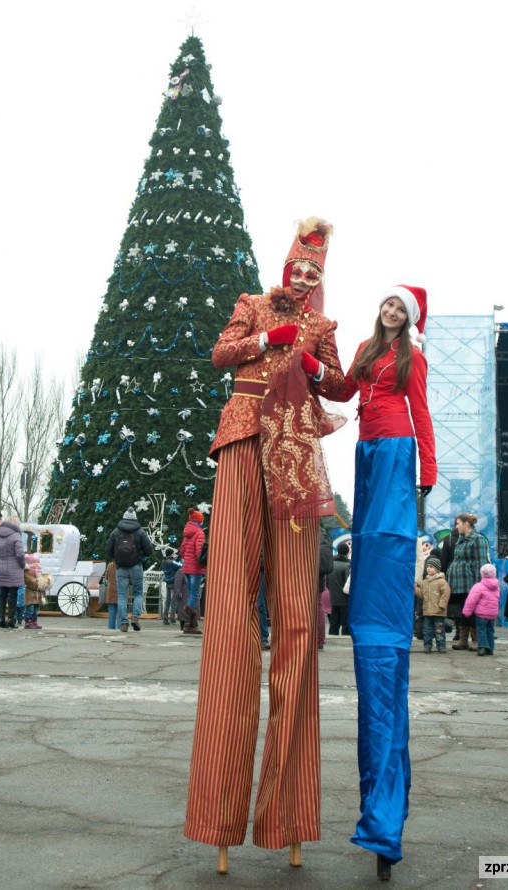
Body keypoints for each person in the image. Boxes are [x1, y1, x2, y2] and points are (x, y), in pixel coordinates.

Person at [185, 218, 346, 868]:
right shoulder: (252, 304)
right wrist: (264, 339)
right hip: (242, 441)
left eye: (314, 272)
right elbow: (220, 354)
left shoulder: (323, 326)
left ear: (319, 278)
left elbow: (338, 385)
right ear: (285, 269)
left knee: (297, 622)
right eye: (297, 268)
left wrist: (311, 362)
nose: (303, 278)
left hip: (296, 456)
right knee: (229, 613)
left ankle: (289, 816)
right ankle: (217, 816)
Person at [335, 284, 437, 878]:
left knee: (387, 535)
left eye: (400, 308)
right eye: (387, 304)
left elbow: (420, 411)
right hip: (367, 450)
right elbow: (343, 389)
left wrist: (428, 469)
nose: (391, 311)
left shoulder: (411, 358)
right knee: (367, 532)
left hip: (398, 447)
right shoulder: (366, 349)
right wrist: (312, 367)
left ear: (409, 317)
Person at [447, 514, 490, 651]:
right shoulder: (461, 539)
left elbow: (481, 563)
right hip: (459, 583)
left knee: (473, 610)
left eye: (458, 523)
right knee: (464, 610)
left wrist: (479, 585)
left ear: (466, 524)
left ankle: (476, 640)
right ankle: (463, 640)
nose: (456, 526)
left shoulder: (478, 539)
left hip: (470, 582)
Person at [106, 507, 153, 632]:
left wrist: (116, 558)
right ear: (135, 518)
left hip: (121, 567)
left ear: (124, 517)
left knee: (121, 596)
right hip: (136, 566)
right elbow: (149, 550)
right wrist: (140, 555)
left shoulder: (116, 532)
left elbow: (108, 549)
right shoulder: (140, 532)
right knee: (138, 593)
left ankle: (123, 623)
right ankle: (135, 617)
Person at [462, 563, 500, 656]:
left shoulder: (478, 586)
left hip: (481, 614)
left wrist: (467, 612)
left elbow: (471, 600)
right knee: (490, 630)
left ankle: (482, 647)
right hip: (492, 614)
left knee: (481, 630)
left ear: (482, 574)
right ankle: (490, 649)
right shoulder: (496, 586)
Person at [179, 509, 206, 635]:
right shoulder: (199, 533)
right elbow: (199, 553)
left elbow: (182, 552)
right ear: (199, 521)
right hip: (196, 568)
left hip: (186, 568)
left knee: (191, 594)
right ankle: (188, 624)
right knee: (194, 595)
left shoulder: (187, 532)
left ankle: (192, 624)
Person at [416, 556, 450, 653]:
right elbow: (422, 594)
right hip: (427, 611)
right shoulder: (425, 582)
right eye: (427, 566)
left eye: (431, 567)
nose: (428, 568)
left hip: (439, 611)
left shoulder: (442, 582)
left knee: (439, 630)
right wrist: (416, 590)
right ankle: (427, 646)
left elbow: (446, 594)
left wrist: (442, 605)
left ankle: (441, 646)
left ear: (437, 569)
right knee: (427, 630)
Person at [0, 517, 26, 629]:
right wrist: (23, 565)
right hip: (14, 568)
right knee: (13, 594)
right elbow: (20, 554)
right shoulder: (16, 535)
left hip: (2, 566)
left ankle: (0, 618)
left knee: (3, 594)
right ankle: (11, 619)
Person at [23, 553, 52, 629]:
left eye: (37, 562)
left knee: (36, 609)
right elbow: (31, 582)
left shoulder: (38, 572)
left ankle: (34, 621)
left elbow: (40, 580)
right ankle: (28, 622)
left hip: (38, 594)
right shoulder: (27, 572)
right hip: (30, 594)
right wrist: (41, 582)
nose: (36, 564)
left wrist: (46, 581)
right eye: (34, 562)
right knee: (30, 609)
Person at [328, 542, 351, 636]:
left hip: (333, 597)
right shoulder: (347, 566)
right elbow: (348, 584)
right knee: (345, 622)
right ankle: (345, 638)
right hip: (345, 599)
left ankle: (332, 637)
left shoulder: (331, 564)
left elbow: (327, 582)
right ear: (347, 552)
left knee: (334, 622)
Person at [317, 525, 334, 650]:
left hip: (305, 574)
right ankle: (319, 640)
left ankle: (308, 639)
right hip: (320, 577)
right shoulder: (323, 534)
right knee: (318, 609)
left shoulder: (304, 530)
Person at [161, 548, 182, 625]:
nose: (174, 554)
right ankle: (173, 619)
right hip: (173, 582)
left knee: (167, 602)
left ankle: (165, 619)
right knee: (174, 602)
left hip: (167, 582)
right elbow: (181, 566)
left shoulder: (164, 561)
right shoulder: (172, 562)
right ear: (171, 554)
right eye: (173, 553)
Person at [102, 561, 118, 630]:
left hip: (111, 590)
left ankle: (111, 629)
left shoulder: (110, 565)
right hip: (122, 591)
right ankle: (120, 628)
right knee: (121, 612)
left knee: (111, 611)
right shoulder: (125, 565)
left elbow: (106, 576)